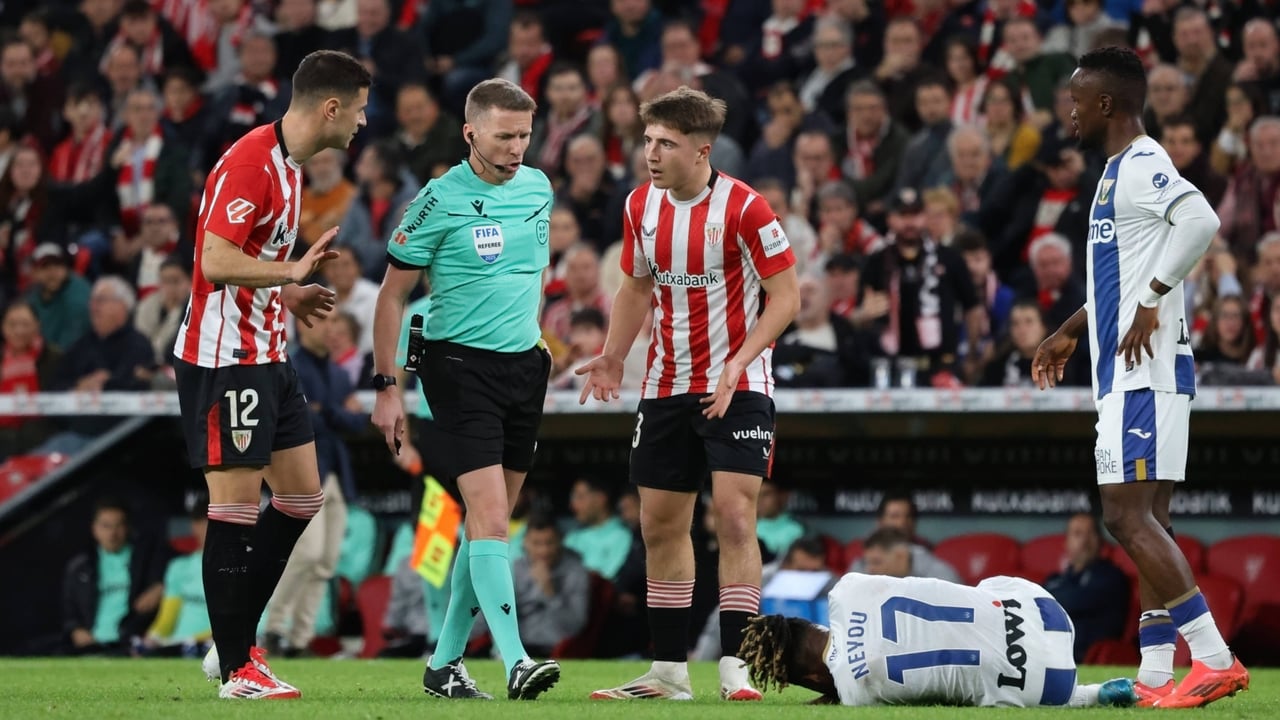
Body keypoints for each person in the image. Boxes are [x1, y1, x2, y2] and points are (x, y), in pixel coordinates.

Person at [1031, 46, 1249, 709]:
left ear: (1106, 103)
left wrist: (1154, 296)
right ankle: (1156, 673)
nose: (1069, 112)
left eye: (1076, 101)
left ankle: (1214, 658)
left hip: (1142, 375)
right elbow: (1120, 277)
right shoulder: (1115, 171)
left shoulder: (1143, 162)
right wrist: (1073, 327)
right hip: (1141, 372)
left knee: (1124, 516)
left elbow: (1202, 221)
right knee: (1150, 518)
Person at [577, 86, 801, 701]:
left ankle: (737, 669)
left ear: (702, 150)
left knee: (734, 516)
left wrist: (740, 362)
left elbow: (786, 298)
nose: (651, 154)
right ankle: (669, 673)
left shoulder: (747, 208)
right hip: (665, 384)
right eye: (648, 141)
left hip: (738, 385)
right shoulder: (639, 205)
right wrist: (613, 355)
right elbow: (634, 288)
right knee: (659, 525)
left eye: (666, 144)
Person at [172, 50, 371, 701]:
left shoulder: (289, 165)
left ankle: (230, 636)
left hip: (267, 351)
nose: (363, 122)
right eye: (359, 109)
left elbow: (246, 260)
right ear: (331, 107)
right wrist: (290, 271)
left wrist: (287, 294)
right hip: (227, 359)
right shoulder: (252, 163)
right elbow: (215, 259)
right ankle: (237, 667)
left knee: (302, 498)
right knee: (233, 509)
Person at [369, 77, 560, 702]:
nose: (516, 149)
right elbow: (391, 297)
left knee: (486, 528)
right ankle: (516, 661)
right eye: (504, 136)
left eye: (524, 135)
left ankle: (444, 664)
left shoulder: (538, 187)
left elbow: (527, 278)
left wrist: (535, 344)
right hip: (458, 369)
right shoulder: (436, 201)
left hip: (524, 369)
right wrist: (387, 386)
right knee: (491, 520)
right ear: (470, 133)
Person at [738, 572, 1139, 708]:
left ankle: (1092, 696)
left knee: (982, 690)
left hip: (1049, 685)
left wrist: (835, 693)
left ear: (810, 677)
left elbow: (845, 678)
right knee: (984, 591)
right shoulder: (846, 589)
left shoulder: (856, 693)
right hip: (1047, 611)